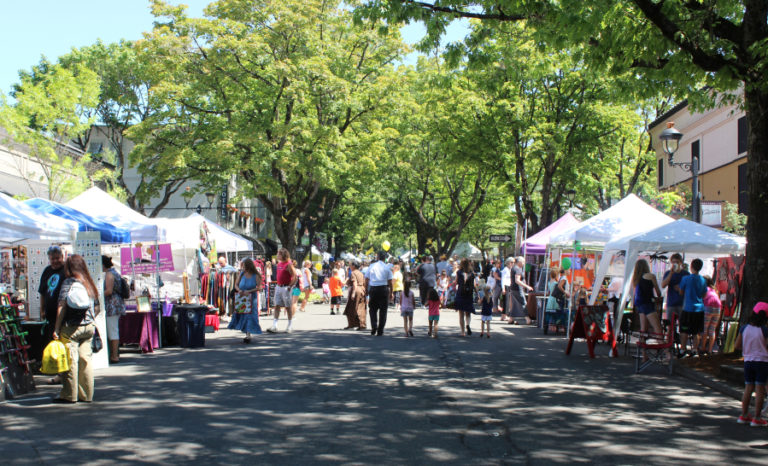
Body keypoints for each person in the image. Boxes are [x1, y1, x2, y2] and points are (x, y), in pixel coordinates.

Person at [52, 254, 100, 403]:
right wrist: (90, 320)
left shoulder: (68, 282)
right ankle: (87, 395)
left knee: (70, 361)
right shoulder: (89, 282)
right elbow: (97, 307)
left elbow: (62, 306)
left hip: (70, 328)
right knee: (86, 361)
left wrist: (57, 328)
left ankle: (69, 395)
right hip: (89, 327)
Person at [734, 302, 768, 426]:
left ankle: (743, 415)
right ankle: (757, 417)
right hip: (762, 362)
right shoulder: (764, 330)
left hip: (748, 361)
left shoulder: (744, 328)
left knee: (748, 387)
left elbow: (737, 345)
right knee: (760, 389)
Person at [39, 245, 66, 383]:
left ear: (62, 257)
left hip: (63, 315)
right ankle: (59, 372)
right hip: (50, 315)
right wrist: (42, 309)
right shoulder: (47, 271)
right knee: (55, 344)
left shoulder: (66, 270)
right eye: (52, 259)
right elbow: (42, 292)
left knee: (63, 344)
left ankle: (63, 374)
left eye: (57, 258)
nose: (55, 261)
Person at [678, 258, 707, 358]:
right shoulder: (703, 280)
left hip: (688, 308)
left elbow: (681, 292)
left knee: (684, 330)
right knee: (696, 331)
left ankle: (683, 349)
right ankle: (695, 350)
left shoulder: (686, 278)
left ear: (691, 266)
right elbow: (704, 294)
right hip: (699, 309)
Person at [230, 258, 263, 343]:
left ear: (248, 266)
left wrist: (249, 291)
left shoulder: (256, 275)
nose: (243, 267)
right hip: (241, 298)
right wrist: (239, 290)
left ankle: (248, 334)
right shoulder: (241, 274)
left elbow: (259, 287)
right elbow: (236, 284)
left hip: (251, 298)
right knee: (243, 315)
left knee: (250, 316)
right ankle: (246, 332)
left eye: (244, 266)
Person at [630, 259, 663, 340]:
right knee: (657, 328)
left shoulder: (636, 279)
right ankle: (665, 350)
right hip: (648, 304)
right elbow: (658, 293)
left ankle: (643, 351)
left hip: (640, 305)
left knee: (643, 330)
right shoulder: (651, 276)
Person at [101, 255, 126, 364]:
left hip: (112, 304)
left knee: (112, 330)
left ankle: (114, 355)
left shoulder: (109, 274)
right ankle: (114, 354)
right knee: (113, 329)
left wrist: (97, 294)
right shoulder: (114, 272)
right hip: (115, 304)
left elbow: (109, 291)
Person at [365, 251, 393, 336]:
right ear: (385, 258)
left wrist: (366, 289)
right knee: (383, 310)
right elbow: (390, 282)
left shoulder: (372, 266)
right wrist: (391, 292)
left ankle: (374, 326)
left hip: (373, 288)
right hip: (383, 289)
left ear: (377, 257)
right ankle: (380, 330)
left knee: (372, 309)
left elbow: (366, 279)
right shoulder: (387, 267)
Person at [269, 248, 297, 333]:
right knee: (276, 305)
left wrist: (289, 287)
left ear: (283, 255)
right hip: (278, 286)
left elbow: (295, 277)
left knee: (288, 307)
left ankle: (289, 325)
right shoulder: (279, 264)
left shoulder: (289, 264)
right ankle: (275, 325)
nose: (277, 255)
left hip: (285, 287)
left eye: (279, 254)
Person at [661, 253, 689, 322]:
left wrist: (681, 288)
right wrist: (671, 273)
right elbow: (663, 285)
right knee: (669, 325)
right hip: (671, 303)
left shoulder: (686, 274)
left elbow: (689, 289)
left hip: (682, 304)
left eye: (677, 262)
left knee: (683, 326)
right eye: (673, 262)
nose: (675, 264)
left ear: (681, 263)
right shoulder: (668, 273)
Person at [699, 276, 722, 356]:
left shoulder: (704, 289)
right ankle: (710, 350)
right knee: (712, 330)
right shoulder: (714, 290)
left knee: (704, 329)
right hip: (718, 307)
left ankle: (702, 348)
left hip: (708, 306)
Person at [454, 258, 476, 337]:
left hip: (461, 293)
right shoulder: (472, 273)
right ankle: (468, 324)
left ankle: (463, 332)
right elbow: (474, 284)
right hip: (469, 294)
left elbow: (456, 282)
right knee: (468, 312)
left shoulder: (459, 272)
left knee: (461, 314)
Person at [509, 257, 533, 325]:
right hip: (518, 288)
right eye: (523, 262)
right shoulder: (517, 269)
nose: (524, 263)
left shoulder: (513, 268)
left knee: (514, 304)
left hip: (513, 288)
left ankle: (511, 319)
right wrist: (527, 286)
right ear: (519, 262)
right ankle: (527, 319)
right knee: (523, 303)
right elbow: (517, 280)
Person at [343, 261, 367, 330]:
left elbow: (354, 283)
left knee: (350, 308)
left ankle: (351, 324)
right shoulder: (360, 273)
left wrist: (353, 292)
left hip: (356, 290)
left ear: (353, 266)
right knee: (361, 308)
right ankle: (362, 325)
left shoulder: (353, 273)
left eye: (350, 265)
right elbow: (364, 282)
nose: (349, 266)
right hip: (362, 289)